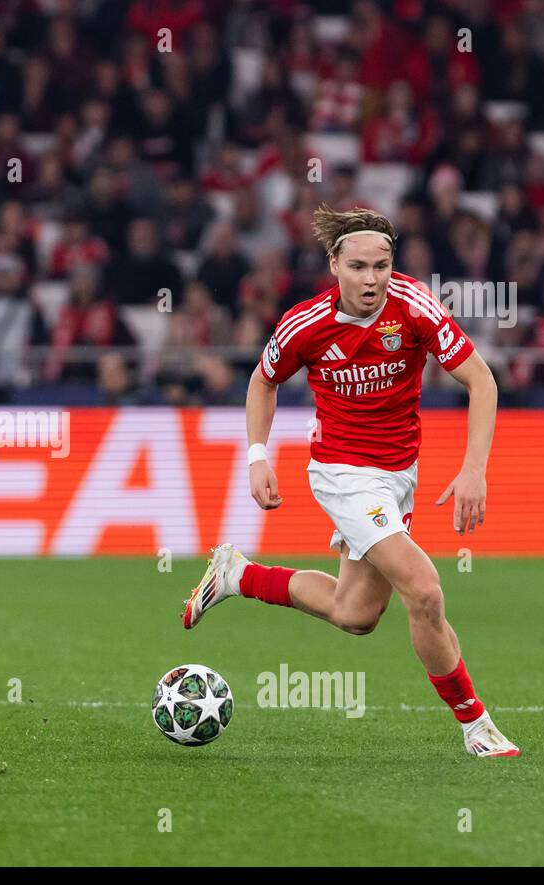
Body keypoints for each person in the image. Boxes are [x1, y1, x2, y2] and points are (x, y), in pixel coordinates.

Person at [182, 205, 521, 759]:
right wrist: (257, 456)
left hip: (398, 475)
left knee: (355, 614)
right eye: (359, 267)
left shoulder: (414, 307)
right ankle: (475, 724)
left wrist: (473, 469)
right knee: (425, 589)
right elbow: (262, 381)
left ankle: (240, 577)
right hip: (342, 473)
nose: (371, 280)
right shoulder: (306, 324)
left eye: (382, 266)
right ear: (334, 264)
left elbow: (481, 381)